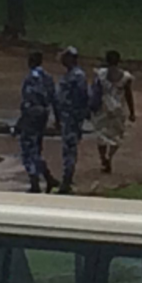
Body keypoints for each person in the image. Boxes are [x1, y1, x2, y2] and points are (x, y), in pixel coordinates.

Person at [15, 52, 59, 194]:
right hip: (44, 114)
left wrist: (20, 122)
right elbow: (54, 99)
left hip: (32, 114)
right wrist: (57, 119)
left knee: (28, 149)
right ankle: (48, 177)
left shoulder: (30, 78)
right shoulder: (48, 78)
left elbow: (29, 101)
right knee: (36, 148)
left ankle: (35, 182)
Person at [92, 51, 136, 174]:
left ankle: (103, 159)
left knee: (101, 135)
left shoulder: (100, 75)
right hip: (118, 110)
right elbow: (128, 95)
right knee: (116, 136)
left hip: (103, 109)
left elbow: (95, 92)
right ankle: (109, 157)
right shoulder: (125, 77)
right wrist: (132, 112)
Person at [56, 47, 89, 194]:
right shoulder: (71, 74)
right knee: (68, 148)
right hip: (66, 117)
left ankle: (67, 181)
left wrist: (78, 116)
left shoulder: (77, 76)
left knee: (69, 149)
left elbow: (82, 97)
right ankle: (67, 178)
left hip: (72, 118)